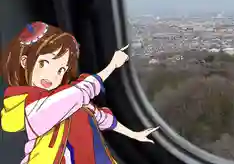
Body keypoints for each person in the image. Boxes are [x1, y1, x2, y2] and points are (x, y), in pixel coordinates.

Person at [0, 21, 159, 164]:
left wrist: (134, 134)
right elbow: (75, 95)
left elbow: (99, 117)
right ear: (24, 62)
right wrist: (111, 67)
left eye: (61, 69)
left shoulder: (65, 98)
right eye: (44, 63)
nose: (52, 75)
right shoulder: (32, 109)